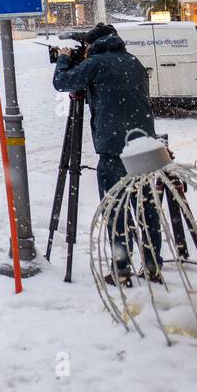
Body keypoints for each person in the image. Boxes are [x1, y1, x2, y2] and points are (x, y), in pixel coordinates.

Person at [52, 22, 163, 282]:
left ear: (92, 45)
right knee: (145, 206)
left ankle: (121, 267)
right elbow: (115, 92)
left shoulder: (97, 64)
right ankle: (152, 265)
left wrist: (64, 59)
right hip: (143, 144)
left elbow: (61, 82)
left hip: (114, 148)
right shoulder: (132, 61)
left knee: (116, 207)